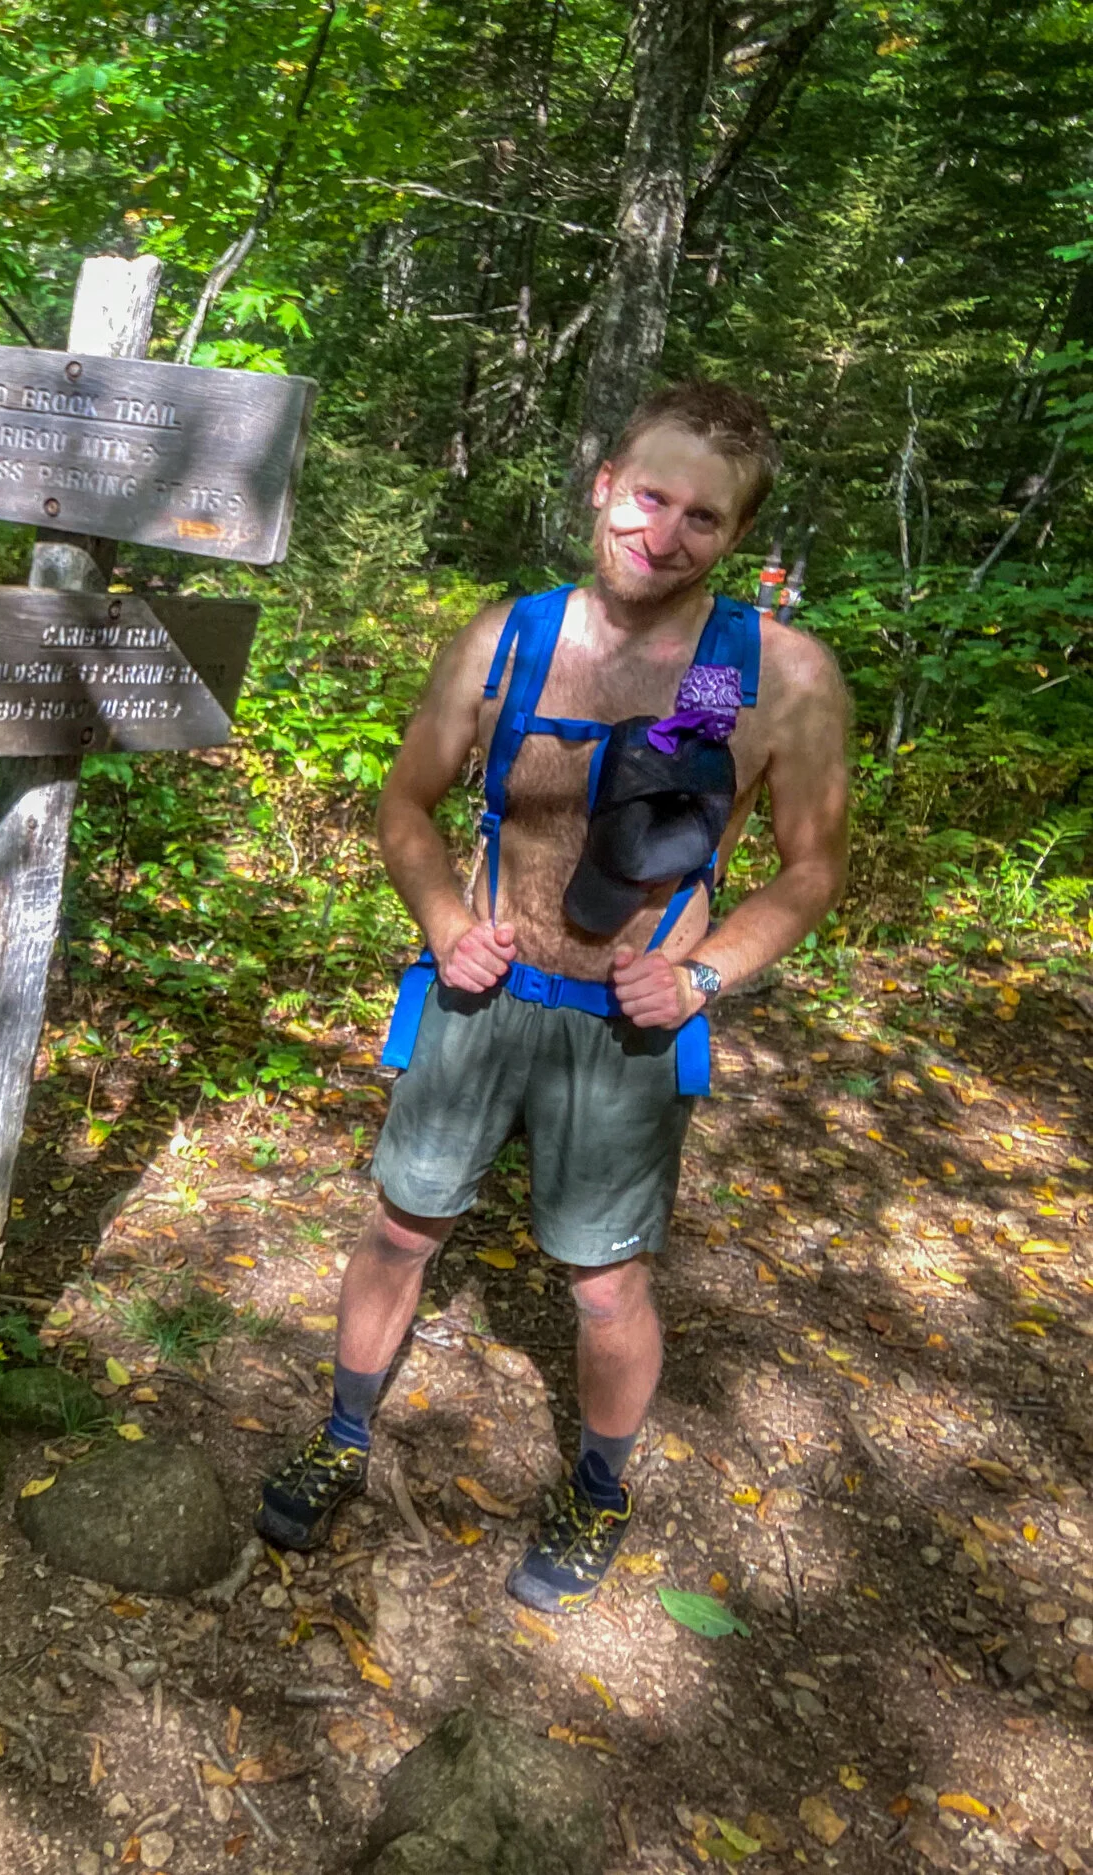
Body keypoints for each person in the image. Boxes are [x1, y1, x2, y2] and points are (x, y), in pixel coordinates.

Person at [253, 381, 850, 1613]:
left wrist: (699, 978)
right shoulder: (506, 639)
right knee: (401, 1225)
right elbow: (404, 801)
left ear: (736, 536)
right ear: (603, 486)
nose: (662, 534)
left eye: (701, 517)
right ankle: (343, 1434)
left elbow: (811, 868)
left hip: (629, 1026)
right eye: (650, 496)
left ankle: (597, 1486)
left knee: (602, 1279)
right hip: (480, 995)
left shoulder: (779, 676)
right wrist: (445, 923)